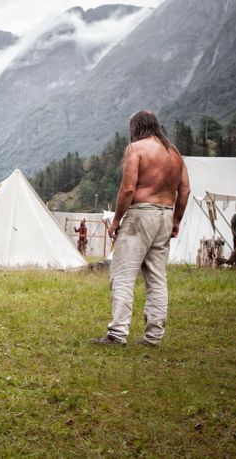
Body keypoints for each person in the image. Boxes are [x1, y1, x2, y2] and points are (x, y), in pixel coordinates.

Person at [93, 110, 190, 347]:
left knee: (123, 275)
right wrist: (176, 220)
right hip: (165, 214)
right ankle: (153, 336)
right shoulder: (174, 153)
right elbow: (185, 190)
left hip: (141, 215)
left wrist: (116, 221)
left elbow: (127, 189)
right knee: (157, 278)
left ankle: (117, 334)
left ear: (136, 128)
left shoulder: (136, 149)